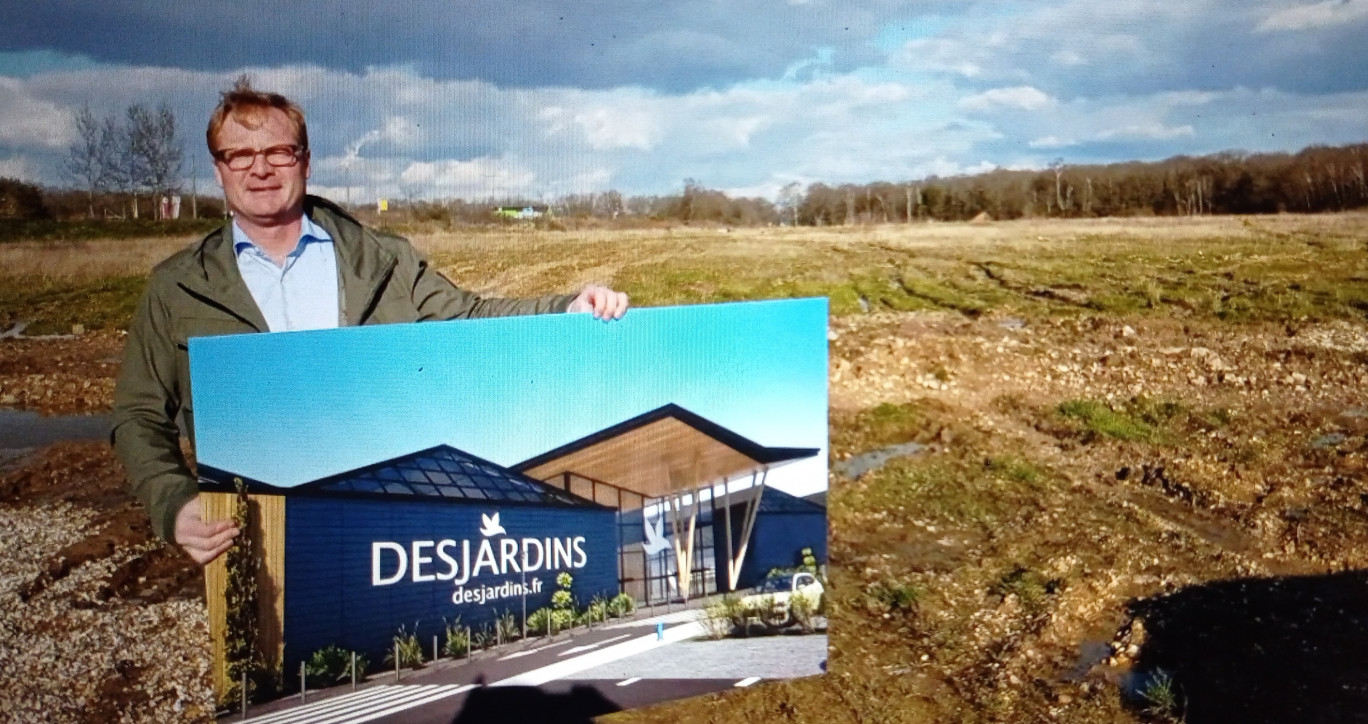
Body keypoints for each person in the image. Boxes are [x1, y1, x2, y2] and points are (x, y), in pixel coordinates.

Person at [110, 80, 628, 566]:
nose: (260, 169)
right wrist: (175, 505)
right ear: (219, 170)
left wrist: (568, 310)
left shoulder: (384, 260)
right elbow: (138, 415)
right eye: (240, 155)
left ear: (305, 161)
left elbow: (468, 317)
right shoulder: (176, 287)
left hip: (379, 517)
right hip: (254, 532)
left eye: (278, 152)